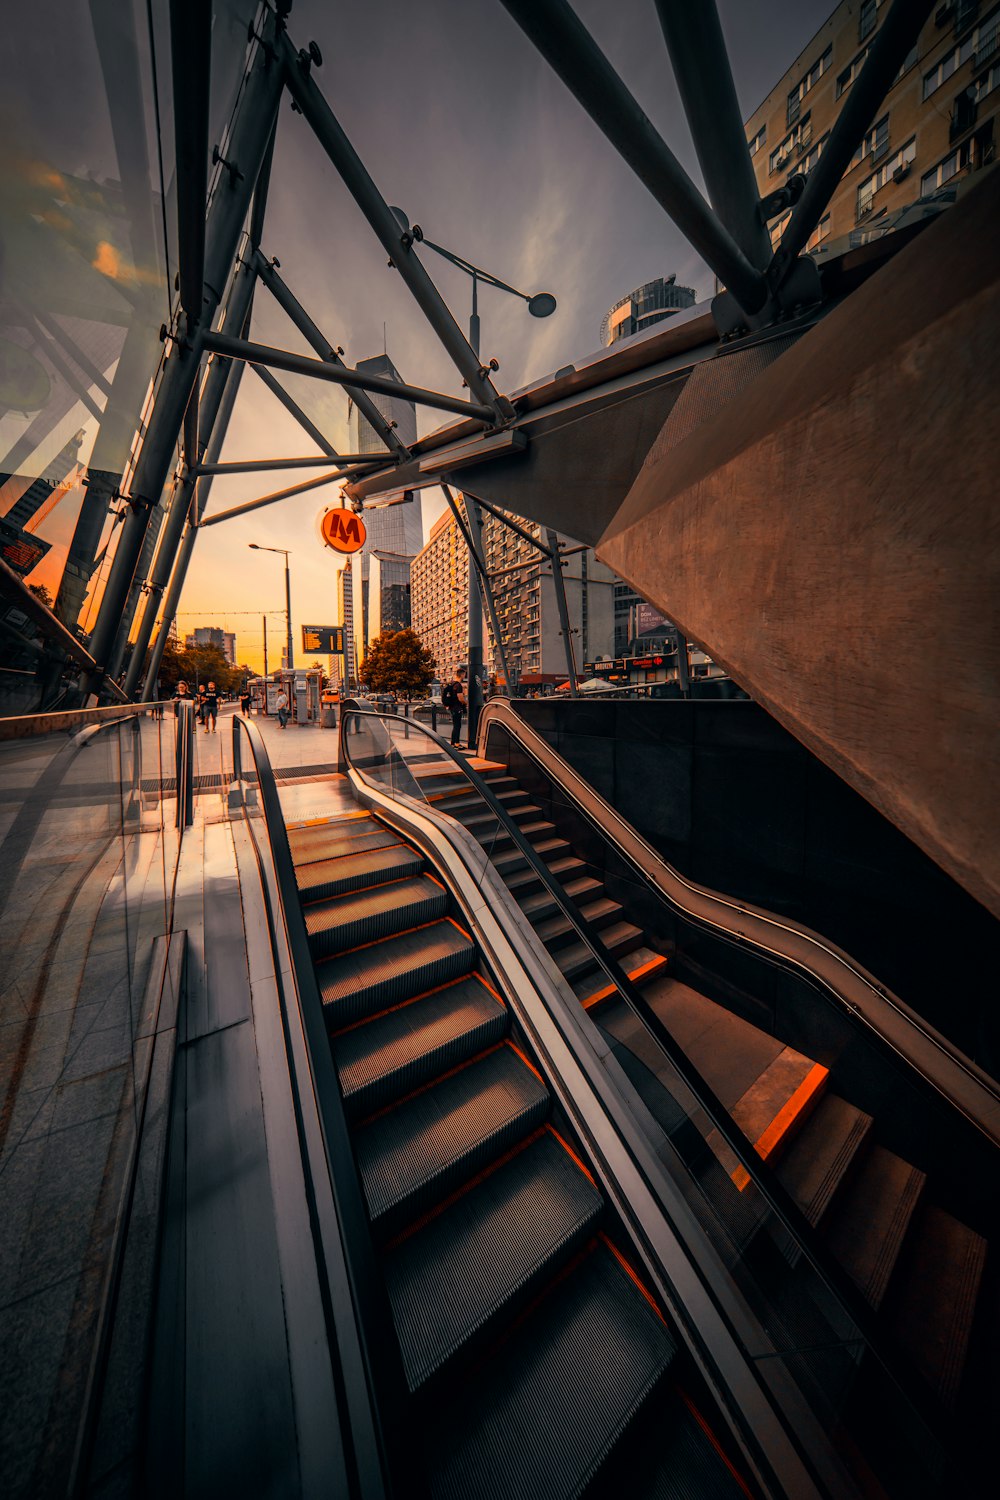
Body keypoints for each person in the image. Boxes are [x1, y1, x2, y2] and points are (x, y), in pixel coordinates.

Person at [442, 665, 466, 748]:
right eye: (464, 674)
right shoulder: (458, 685)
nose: (464, 676)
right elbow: (460, 697)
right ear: (462, 674)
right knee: (457, 726)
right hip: (457, 708)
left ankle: (453, 743)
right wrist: (465, 702)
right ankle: (456, 743)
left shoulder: (452, 684)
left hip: (452, 707)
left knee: (455, 725)